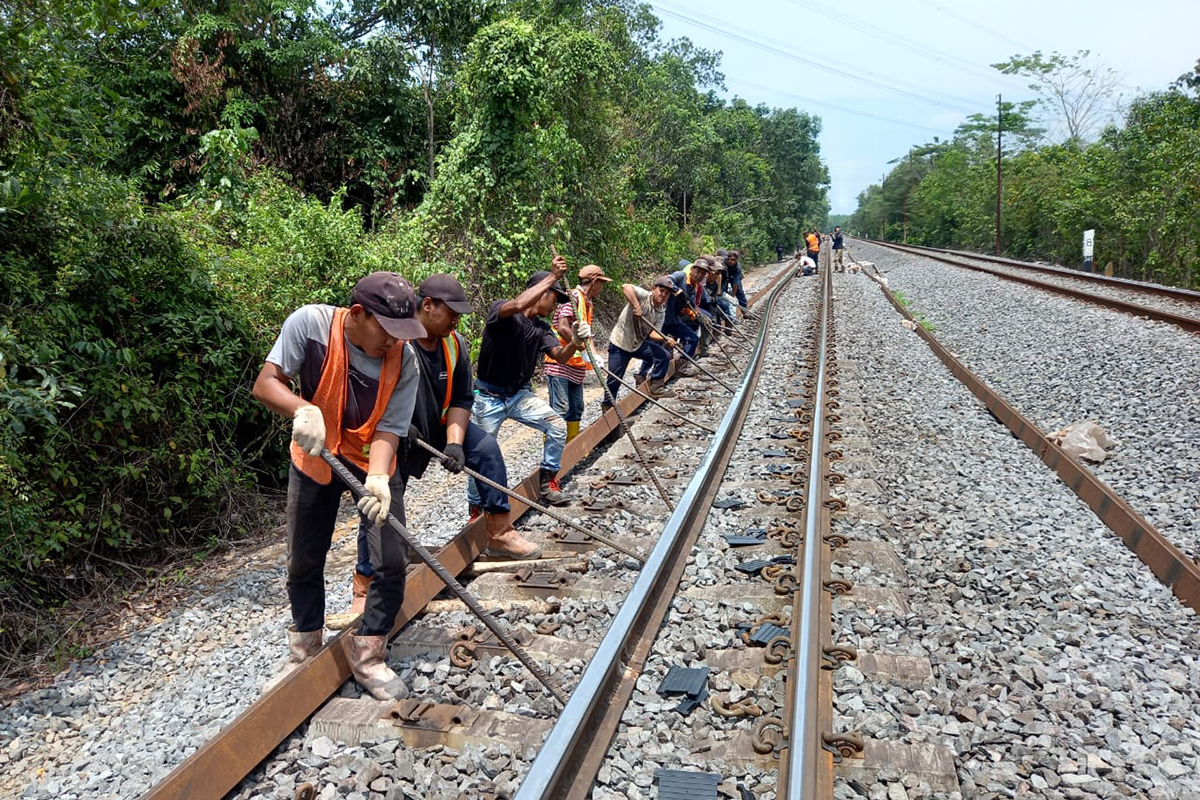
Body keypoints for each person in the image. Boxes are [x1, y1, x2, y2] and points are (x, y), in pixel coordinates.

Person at [252, 272, 424, 701]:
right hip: (315, 454)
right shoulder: (309, 325)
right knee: (304, 557)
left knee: (389, 558)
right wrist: (301, 408)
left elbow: (390, 427)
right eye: (387, 331)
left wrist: (381, 478)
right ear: (360, 314)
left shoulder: (405, 360)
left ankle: (368, 653)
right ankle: (304, 647)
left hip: (372, 461)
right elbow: (266, 382)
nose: (394, 342)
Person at [469, 257, 588, 509]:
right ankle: (476, 507)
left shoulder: (542, 328)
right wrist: (553, 277)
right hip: (488, 396)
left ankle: (547, 483)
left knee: (557, 426)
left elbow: (560, 356)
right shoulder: (503, 312)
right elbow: (518, 304)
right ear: (541, 293)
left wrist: (575, 341)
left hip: (519, 395)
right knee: (481, 453)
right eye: (553, 298)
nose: (555, 305)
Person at [546, 264, 611, 444]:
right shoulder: (573, 296)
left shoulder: (587, 302)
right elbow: (562, 326)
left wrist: (595, 356)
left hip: (576, 365)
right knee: (559, 408)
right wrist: (581, 349)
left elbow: (585, 334)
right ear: (595, 281)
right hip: (559, 361)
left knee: (576, 407)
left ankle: (571, 445)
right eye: (601, 283)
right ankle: (553, 448)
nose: (602, 288)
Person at [604, 276, 678, 403]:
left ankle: (656, 387)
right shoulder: (644, 296)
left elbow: (652, 333)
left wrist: (666, 338)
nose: (663, 294)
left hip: (638, 344)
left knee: (663, 356)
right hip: (620, 342)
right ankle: (608, 406)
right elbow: (626, 287)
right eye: (661, 290)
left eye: (667, 293)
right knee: (614, 379)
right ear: (654, 289)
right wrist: (636, 305)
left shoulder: (661, 311)